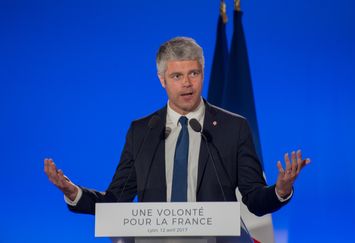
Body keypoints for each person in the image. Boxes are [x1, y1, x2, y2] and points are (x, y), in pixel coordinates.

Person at [44, 36, 310, 226]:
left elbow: (253, 199)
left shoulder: (233, 127)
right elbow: (116, 199)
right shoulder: (142, 131)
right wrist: (73, 192)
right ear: (162, 80)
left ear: (203, 74)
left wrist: (280, 190)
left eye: (193, 73)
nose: (187, 84)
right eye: (177, 76)